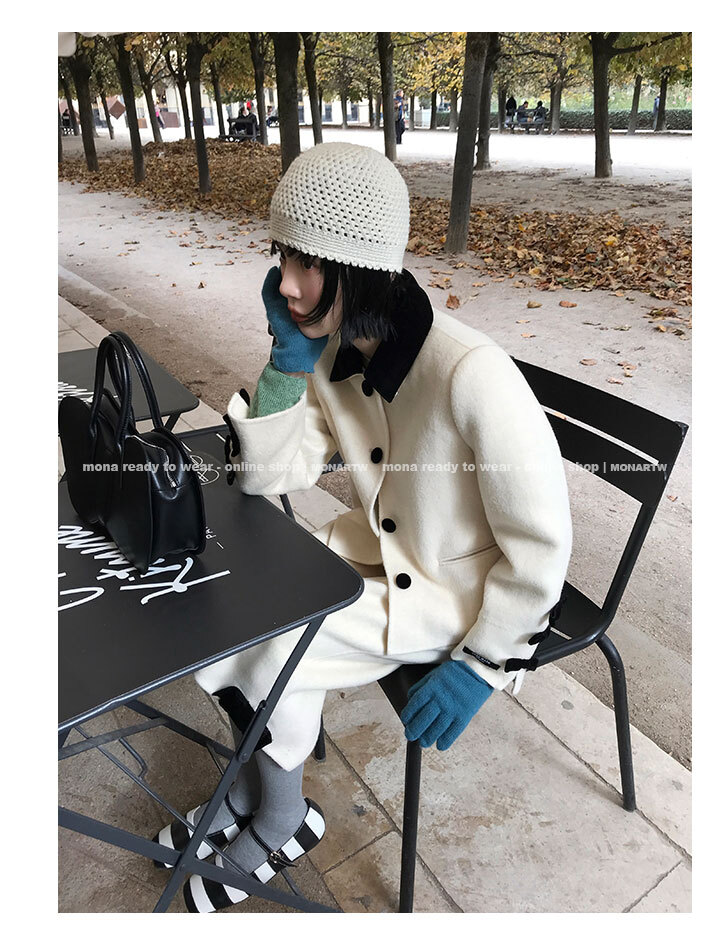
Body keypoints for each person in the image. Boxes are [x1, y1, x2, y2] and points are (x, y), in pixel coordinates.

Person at [153, 142, 572, 913]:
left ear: (361, 265)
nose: (286, 282)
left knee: (275, 644)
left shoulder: (471, 372)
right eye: (282, 256)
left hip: (454, 595)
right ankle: (255, 792)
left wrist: (484, 663)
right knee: (233, 605)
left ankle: (279, 816)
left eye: (307, 262)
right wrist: (286, 363)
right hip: (373, 557)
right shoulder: (334, 351)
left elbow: (543, 542)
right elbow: (271, 472)